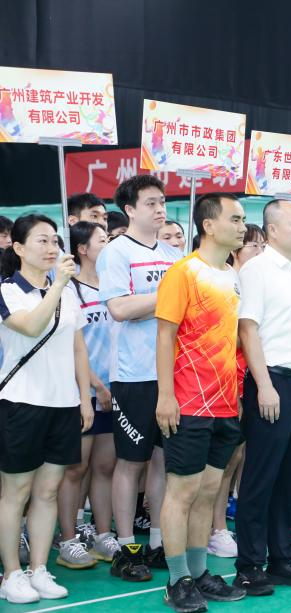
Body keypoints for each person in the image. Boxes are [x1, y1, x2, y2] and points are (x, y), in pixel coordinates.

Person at [154, 193, 249, 610]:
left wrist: (238, 392)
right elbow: (165, 336)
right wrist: (165, 396)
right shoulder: (184, 272)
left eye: (243, 219)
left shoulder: (232, 274)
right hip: (189, 401)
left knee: (210, 490)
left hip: (225, 401)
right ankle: (177, 580)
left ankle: (199, 572)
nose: (242, 226)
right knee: (182, 491)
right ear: (209, 225)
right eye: (235, 219)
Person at [233, 199, 291, 595]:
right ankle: (250, 565)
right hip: (271, 381)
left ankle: (283, 558)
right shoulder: (256, 271)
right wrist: (264, 384)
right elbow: (248, 329)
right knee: (261, 477)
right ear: (271, 230)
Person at [0, 214, 94, 603]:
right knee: (16, 492)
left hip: (63, 404)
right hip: (22, 402)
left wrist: (84, 398)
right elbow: (31, 326)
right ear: (19, 248)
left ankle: (39, 569)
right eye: (41, 240)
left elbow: (78, 348)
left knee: (48, 490)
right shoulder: (8, 291)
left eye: (55, 240)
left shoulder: (67, 293)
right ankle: (11, 574)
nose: (52, 247)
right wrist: (57, 284)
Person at [97, 175, 182, 581]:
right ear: (129, 209)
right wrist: (167, 298)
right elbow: (119, 309)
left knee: (164, 461)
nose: (159, 209)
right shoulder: (116, 253)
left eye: (162, 201)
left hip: (174, 372)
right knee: (132, 462)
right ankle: (127, 547)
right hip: (134, 374)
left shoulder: (174, 255)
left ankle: (159, 543)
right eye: (150, 203)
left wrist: (154, 302)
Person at [56, 222, 119, 570]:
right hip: (85, 392)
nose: (108, 245)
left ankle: (103, 535)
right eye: (101, 240)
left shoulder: (114, 286)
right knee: (75, 469)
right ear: (82, 249)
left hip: (115, 390)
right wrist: (95, 386)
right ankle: (67, 540)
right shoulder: (70, 290)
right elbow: (72, 347)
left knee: (106, 466)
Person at [208, 224, 265, 559]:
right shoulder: (227, 282)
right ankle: (215, 529)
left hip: (253, 378)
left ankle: (224, 523)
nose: (259, 251)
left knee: (239, 457)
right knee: (224, 460)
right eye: (253, 245)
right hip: (226, 379)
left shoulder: (257, 282)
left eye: (262, 245)